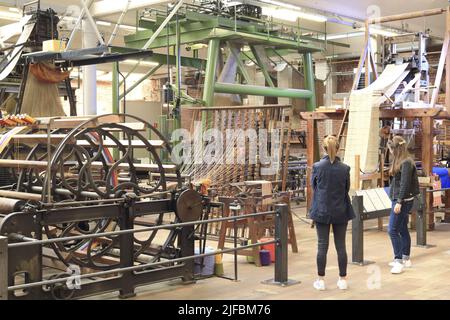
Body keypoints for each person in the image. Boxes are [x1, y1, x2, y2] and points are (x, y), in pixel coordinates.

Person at [310, 135, 355, 291]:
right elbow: (346, 189)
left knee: (322, 246)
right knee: (340, 246)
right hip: (340, 210)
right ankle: (342, 280)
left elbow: (314, 187)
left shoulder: (317, 167)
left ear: (324, 148)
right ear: (338, 148)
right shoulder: (345, 168)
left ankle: (321, 280)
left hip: (322, 210)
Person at [387, 136, 420, 274]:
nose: (390, 152)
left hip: (402, 200)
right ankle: (406, 258)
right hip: (399, 198)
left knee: (392, 230)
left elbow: (405, 184)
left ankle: (398, 260)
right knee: (401, 228)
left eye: (391, 149)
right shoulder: (400, 160)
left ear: (396, 149)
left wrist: (399, 202)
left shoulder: (406, 162)